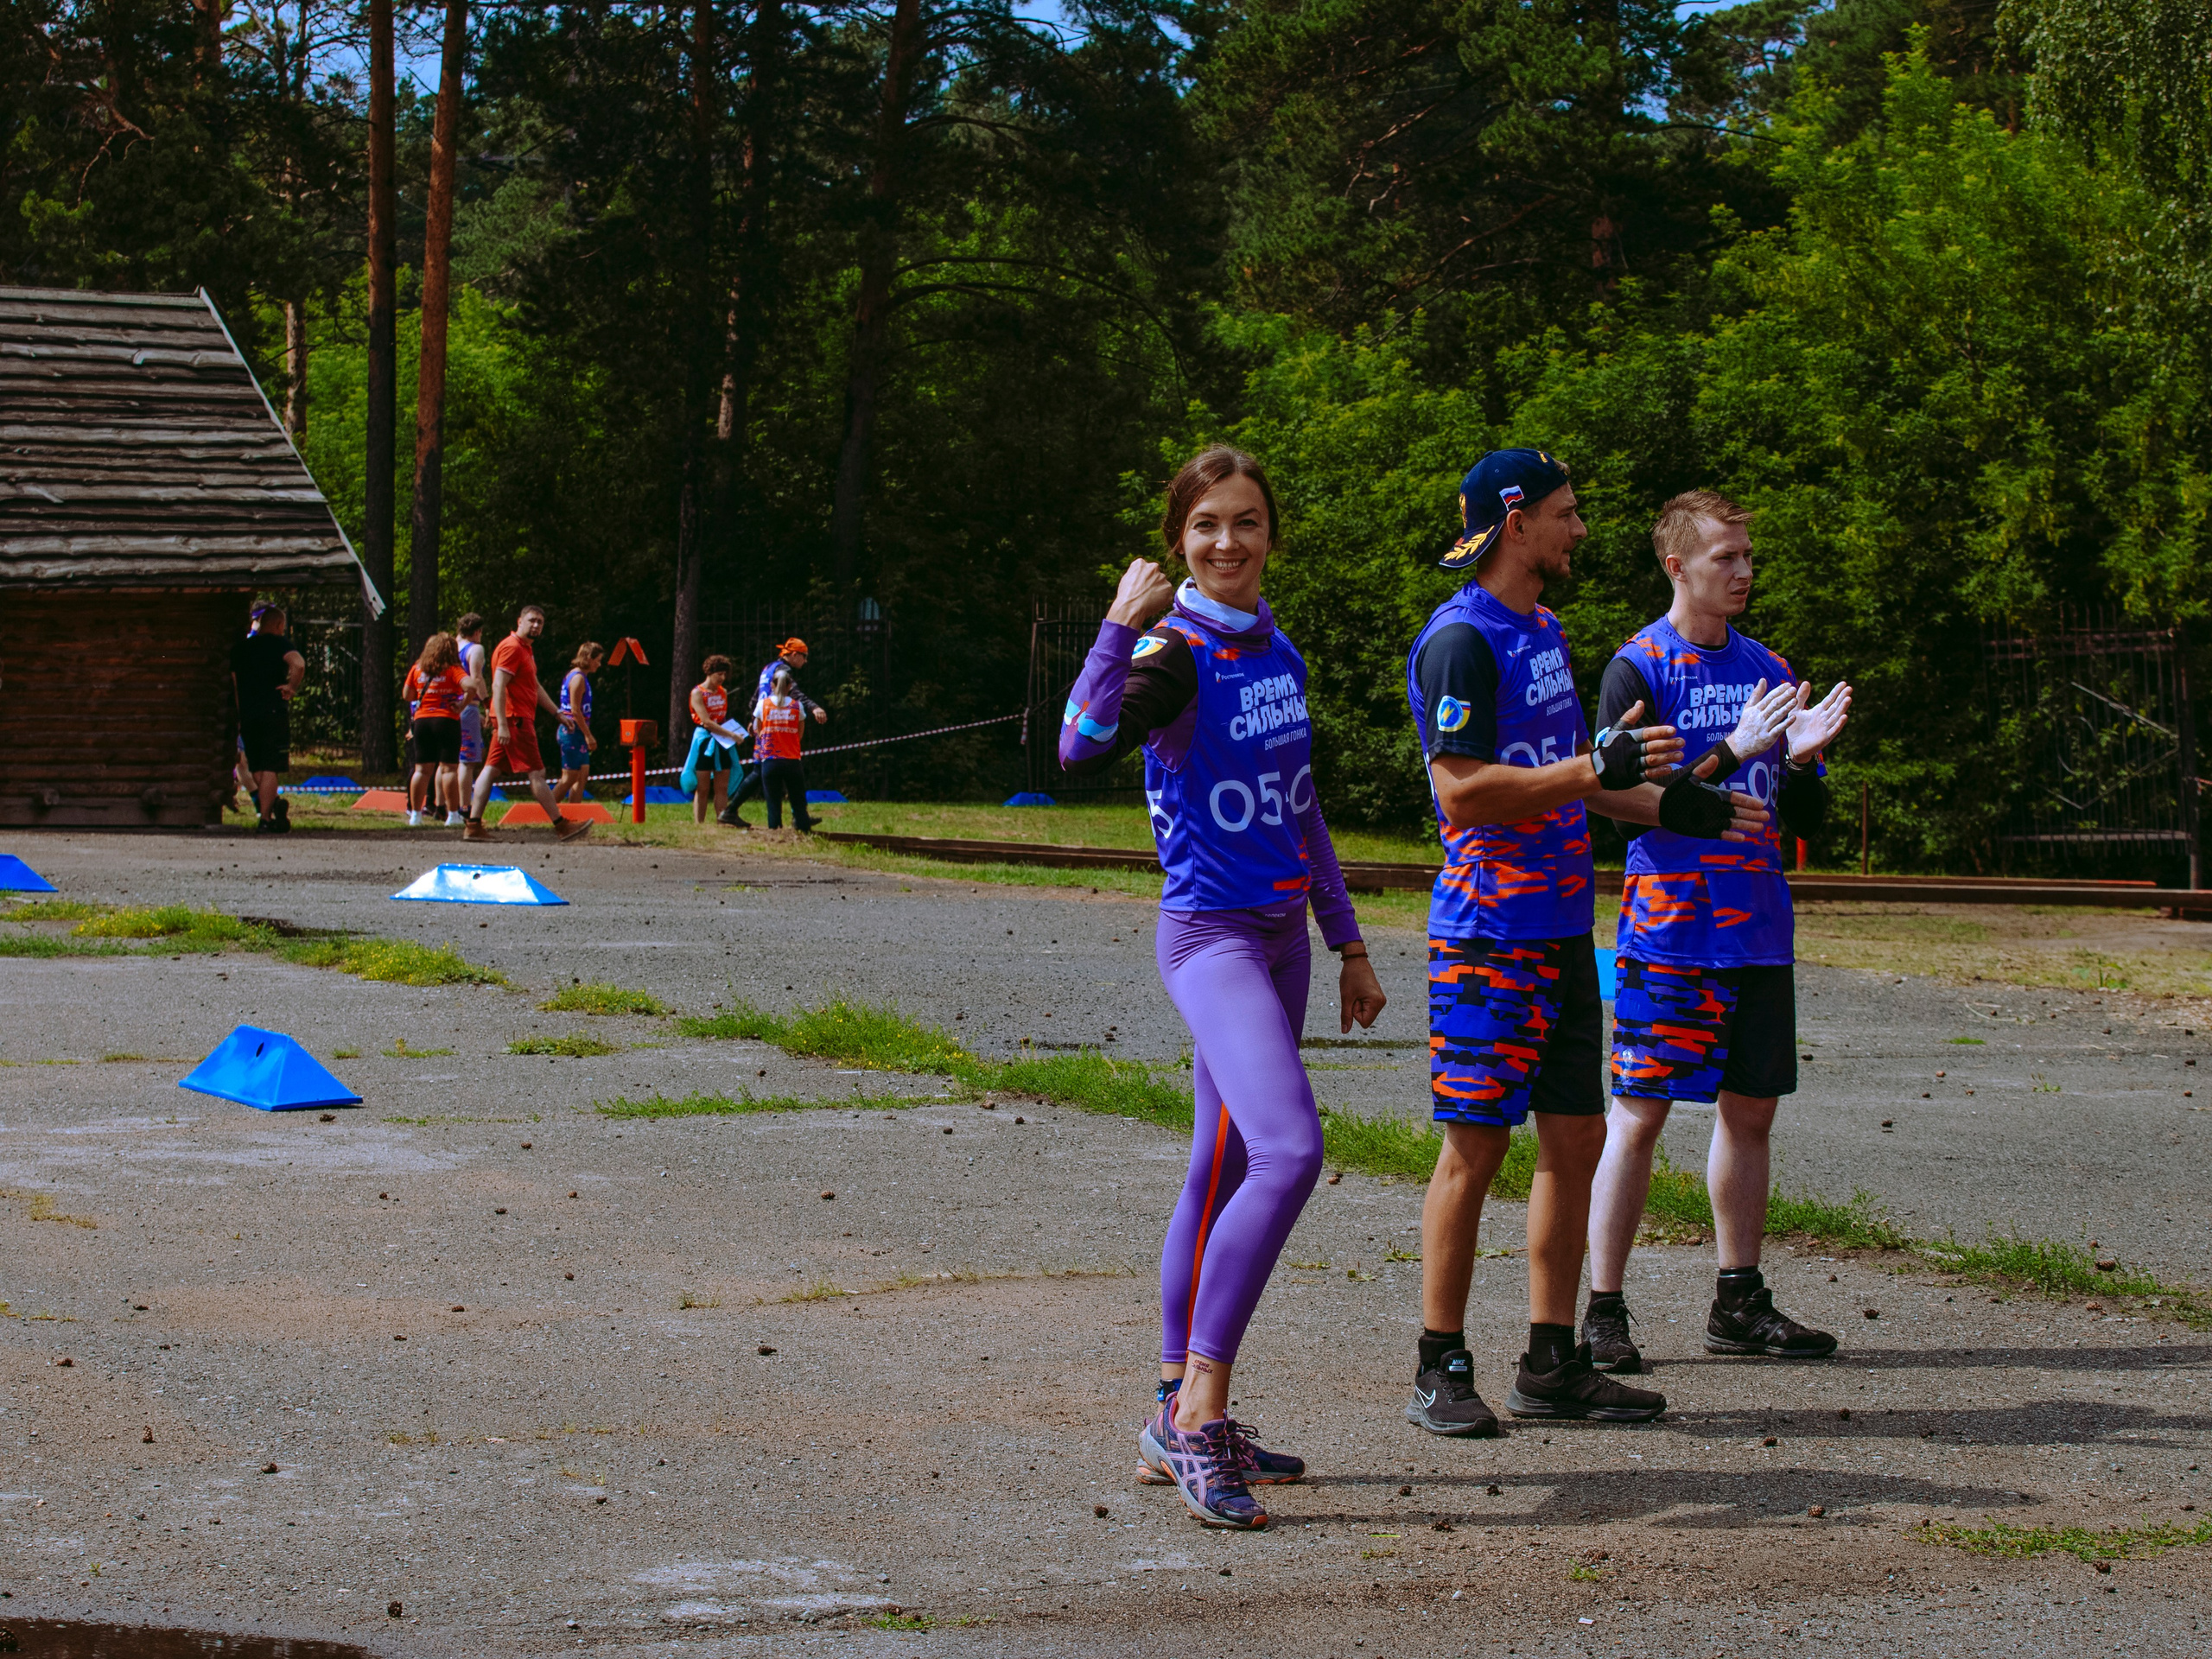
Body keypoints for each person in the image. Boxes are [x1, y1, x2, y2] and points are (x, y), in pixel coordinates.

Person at [1403, 448, 1770, 1437]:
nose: (1578, 529)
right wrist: (1585, 770)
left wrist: (1688, 804)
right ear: (1515, 523)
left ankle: (1550, 1360)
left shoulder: (1541, 629)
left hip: (1565, 931)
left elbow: (1589, 779)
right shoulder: (1461, 640)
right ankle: (1440, 1364)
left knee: (1578, 1138)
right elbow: (1463, 790)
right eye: (1565, 513)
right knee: (1474, 1152)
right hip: (1486, 936)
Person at [1061, 446, 1387, 1529]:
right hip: (1210, 941)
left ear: (1269, 534)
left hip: (1285, 939)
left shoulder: (1277, 649)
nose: (1227, 543)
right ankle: (1200, 1414)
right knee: (1292, 1152)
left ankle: (1169, 1408)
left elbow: (1302, 804)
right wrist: (1116, 625)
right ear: (1178, 540)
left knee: (1221, 1165)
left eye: (1246, 522)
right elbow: (1077, 745)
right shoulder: (1174, 651)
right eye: (1206, 526)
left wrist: (1346, 943)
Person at [1581, 492, 1853, 1373]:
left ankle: (1739, 1298)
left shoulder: (1767, 664)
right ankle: (1603, 1309)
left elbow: (1800, 817)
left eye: (1745, 556)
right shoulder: (1639, 669)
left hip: (1760, 933)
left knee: (1750, 1116)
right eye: (1723, 558)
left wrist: (1804, 758)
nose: (1741, 572)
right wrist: (1729, 751)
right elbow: (1629, 815)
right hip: (1670, 935)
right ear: (1676, 565)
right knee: (1638, 1117)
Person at [463, 604, 592, 843]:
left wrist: (557, 713)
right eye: (531, 620)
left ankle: (472, 825)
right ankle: (562, 825)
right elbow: (498, 685)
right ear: (519, 621)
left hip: (514, 718)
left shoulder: (525, 650)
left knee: (490, 770)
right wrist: (501, 723)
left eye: (540, 623)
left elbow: (535, 686)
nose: (535, 626)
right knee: (537, 773)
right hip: (515, 720)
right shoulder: (512, 648)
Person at [721, 638, 823, 827]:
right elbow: (794, 694)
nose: (806, 661)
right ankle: (796, 818)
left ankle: (732, 811)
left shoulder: (768, 668)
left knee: (761, 770)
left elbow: (756, 696)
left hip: (766, 725)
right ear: (794, 654)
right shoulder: (784, 671)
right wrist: (814, 707)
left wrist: (754, 719)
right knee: (781, 772)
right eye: (804, 656)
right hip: (775, 728)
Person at [230, 602, 305, 834]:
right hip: (273, 711)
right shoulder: (279, 644)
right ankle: (266, 817)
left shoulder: (242, 648)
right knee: (271, 766)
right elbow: (299, 663)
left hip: (249, 714)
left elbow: (234, 684)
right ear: (279, 625)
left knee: (256, 767)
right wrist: (291, 687)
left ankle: (269, 807)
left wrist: (239, 713)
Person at [403, 632, 471, 828]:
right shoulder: (452, 670)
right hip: (446, 721)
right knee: (449, 769)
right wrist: (462, 704)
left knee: (421, 770)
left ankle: (415, 815)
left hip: (422, 721)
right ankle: (453, 815)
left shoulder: (417, 668)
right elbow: (471, 685)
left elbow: (407, 694)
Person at [682, 655, 745, 824]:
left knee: (722, 787)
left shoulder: (723, 692)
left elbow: (721, 719)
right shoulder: (697, 693)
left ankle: (722, 821)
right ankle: (699, 824)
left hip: (722, 741)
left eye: (725, 675)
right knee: (703, 787)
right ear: (710, 673)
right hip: (705, 741)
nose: (722, 678)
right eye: (719, 674)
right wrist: (731, 735)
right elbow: (707, 722)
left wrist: (732, 732)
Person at [752, 667, 817, 832]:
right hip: (792, 758)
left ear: (772, 686)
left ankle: (774, 830)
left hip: (770, 758)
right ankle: (803, 829)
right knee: (797, 798)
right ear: (789, 686)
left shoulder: (763, 705)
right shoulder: (797, 706)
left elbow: (758, 729)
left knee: (773, 800)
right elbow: (800, 731)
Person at [551, 642, 604, 807]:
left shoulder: (581, 677)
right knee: (570, 776)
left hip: (578, 732)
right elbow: (575, 710)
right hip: (571, 731)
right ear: (589, 658)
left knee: (582, 774)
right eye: (598, 660)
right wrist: (588, 735)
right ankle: (546, 810)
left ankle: (573, 813)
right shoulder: (578, 678)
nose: (599, 664)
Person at [454, 613, 489, 810]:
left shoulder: (451, 647)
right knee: (467, 761)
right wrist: (486, 702)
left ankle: (442, 806)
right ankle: (464, 806)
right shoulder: (475, 649)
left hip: (450, 705)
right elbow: (477, 679)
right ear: (477, 632)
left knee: (448, 762)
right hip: (468, 706)